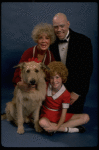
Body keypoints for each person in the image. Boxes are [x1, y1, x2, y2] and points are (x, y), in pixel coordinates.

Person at [50, 13, 93, 114]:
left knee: (70, 114)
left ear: (68, 24)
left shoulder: (83, 41)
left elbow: (87, 69)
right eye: (56, 27)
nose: (59, 29)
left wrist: (77, 92)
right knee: (51, 113)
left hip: (77, 89)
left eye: (62, 26)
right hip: (57, 88)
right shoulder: (51, 43)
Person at [39, 61, 90, 134]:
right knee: (42, 122)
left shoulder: (66, 94)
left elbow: (63, 115)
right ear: (48, 78)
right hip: (46, 115)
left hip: (59, 116)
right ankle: (70, 129)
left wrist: (56, 127)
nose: (54, 81)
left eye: (57, 77)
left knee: (86, 117)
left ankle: (54, 129)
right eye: (51, 78)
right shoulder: (46, 86)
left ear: (62, 78)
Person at [12, 23, 56, 92]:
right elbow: (17, 73)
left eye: (47, 38)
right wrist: (19, 83)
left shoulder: (50, 55)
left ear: (50, 40)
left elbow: (53, 74)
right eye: (40, 38)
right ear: (37, 39)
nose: (44, 41)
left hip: (43, 86)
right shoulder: (29, 52)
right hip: (27, 86)